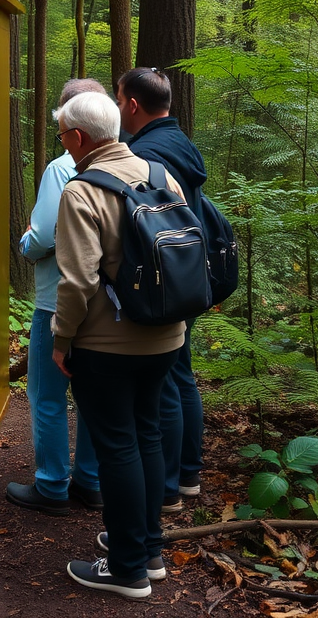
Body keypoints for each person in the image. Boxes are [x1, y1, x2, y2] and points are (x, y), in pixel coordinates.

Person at [51, 91, 185, 599]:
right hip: (166, 336)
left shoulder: (82, 191)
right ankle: (146, 549)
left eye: (63, 133)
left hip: (108, 345)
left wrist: (61, 341)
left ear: (79, 138)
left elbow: (78, 283)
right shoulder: (158, 174)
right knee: (146, 435)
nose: (63, 142)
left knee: (117, 448)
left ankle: (127, 567)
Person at [5, 78, 104, 517]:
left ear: (70, 124)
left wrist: (26, 244)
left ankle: (50, 485)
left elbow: (43, 235)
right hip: (103, 303)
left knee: (46, 395)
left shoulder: (62, 168)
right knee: (91, 396)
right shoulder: (127, 164)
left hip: (54, 299)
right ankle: (90, 480)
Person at [116, 67, 206, 513]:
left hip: (164, 277)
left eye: (118, 101)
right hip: (186, 272)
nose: (117, 109)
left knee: (167, 382)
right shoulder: (180, 141)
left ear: (132, 104)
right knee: (181, 374)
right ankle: (188, 472)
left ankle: (167, 486)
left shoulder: (149, 152)